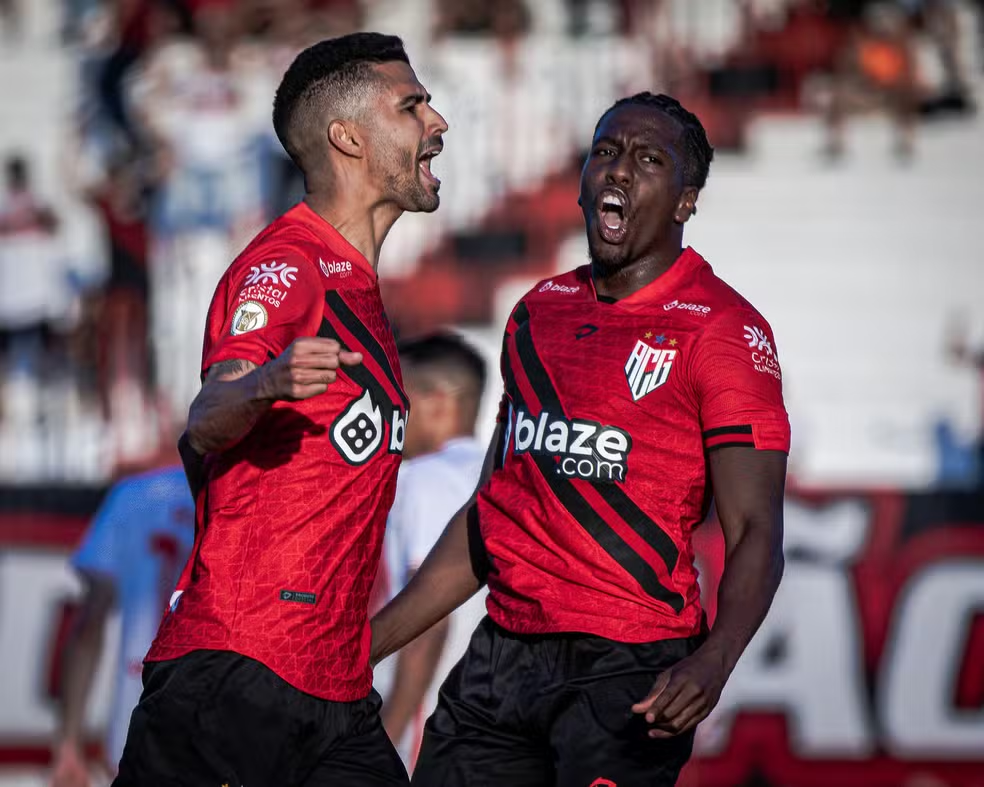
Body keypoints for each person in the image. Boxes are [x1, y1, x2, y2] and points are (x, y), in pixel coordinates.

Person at [371, 92, 790, 787]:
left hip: (625, 671)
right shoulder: (539, 312)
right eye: (605, 152)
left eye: (649, 159)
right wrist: (369, 643)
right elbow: (490, 514)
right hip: (501, 659)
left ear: (686, 200)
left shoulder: (724, 331)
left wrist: (714, 660)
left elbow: (756, 528)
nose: (619, 171)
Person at [111, 32, 448, 787]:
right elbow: (207, 415)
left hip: (330, 689)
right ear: (348, 137)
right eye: (413, 104)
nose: (438, 121)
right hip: (236, 675)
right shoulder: (286, 264)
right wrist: (264, 382)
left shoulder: (356, 284)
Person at [372, 331, 488, 768]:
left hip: (426, 732)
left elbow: (428, 620)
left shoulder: (424, 478)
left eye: (398, 396)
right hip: (491, 731)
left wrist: (386, 740)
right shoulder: (506, 473)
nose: (388, 411)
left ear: (439, 402)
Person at [49, 465, 195, 787]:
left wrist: (69, 741)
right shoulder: (246, 493)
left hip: (136, 722)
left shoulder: (134, 495)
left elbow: (89, 626)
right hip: (216, 726)